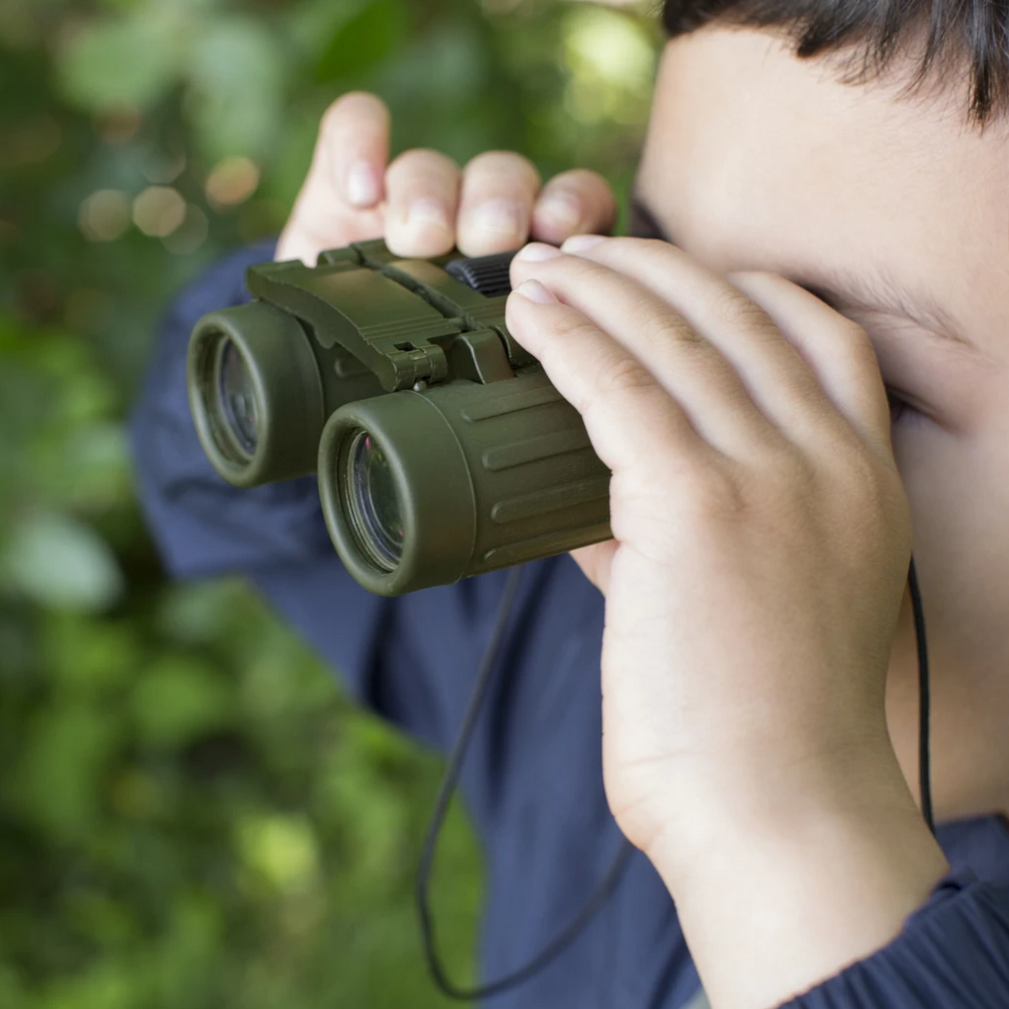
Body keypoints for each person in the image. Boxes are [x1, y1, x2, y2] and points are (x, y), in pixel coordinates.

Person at [130, 0, 1009, 1005]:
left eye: (852, 384)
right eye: (653, 262)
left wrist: (782, 818)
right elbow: (209, 482)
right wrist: (344, 328)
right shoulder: (582, 630)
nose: (642, 409)